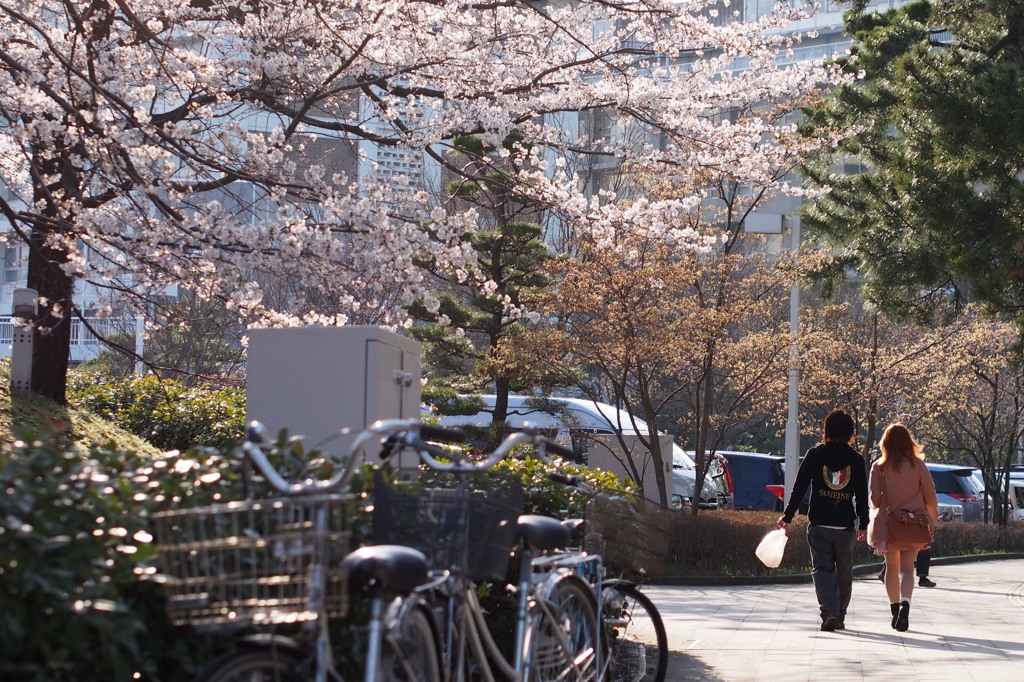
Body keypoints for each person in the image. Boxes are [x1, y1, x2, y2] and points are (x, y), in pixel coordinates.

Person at [778, 409, 869, 632]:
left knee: (822, 569)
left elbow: (799, 488)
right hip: (844, 525)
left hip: (819, 523)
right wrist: (864, 524)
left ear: (826, 430)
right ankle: (839, 614)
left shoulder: (815, 454)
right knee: (845, 571)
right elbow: (861, 495)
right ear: (850, 433)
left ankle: (829, 612)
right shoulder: (856, 460)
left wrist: (788, 516)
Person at [867, 423, 938, 632]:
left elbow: (876, 501)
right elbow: (931, 497)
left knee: (892, 567)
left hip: (890, 527)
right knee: (908, 568)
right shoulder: (918, 465)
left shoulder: (879, 466)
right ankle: (906, 604)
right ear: (909, 442)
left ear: (885, 443)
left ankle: (894, 609)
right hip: (915, 524)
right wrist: (931, 522)